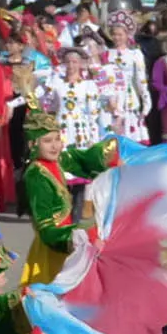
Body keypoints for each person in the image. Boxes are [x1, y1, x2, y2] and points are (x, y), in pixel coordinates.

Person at [19, 108, 120, 286]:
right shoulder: (35, 175)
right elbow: (45, 226)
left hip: (71, 239)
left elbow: (78, 158)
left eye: (57, 139)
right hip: (54, 246)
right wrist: (76, 237)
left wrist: (107, 156)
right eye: (47, 141)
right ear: (32, 145)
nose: (55, 146)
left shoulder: (55, 161)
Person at [99, 11, 152, 141]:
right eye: (114, 34)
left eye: (120, 34)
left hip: (128, 98)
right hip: (110, 98)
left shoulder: (134, 54)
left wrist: (146, 102)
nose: (117, 38)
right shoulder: (106, 54)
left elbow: (141, 80)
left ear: (127, 35)